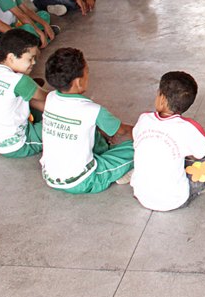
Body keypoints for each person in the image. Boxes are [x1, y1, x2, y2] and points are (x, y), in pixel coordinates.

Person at [131, 71, 205, 211]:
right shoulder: (188, 128)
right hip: (174, 200)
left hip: (141, 195)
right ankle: (204, 185)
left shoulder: (144, 119)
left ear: (162, 99)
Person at [40, 47, 135, 194]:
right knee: (136, 148)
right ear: (78, 82)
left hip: (50, 176)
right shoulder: (92, 110)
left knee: (91, 131)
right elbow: (123, 132)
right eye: (87, 72)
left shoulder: (51, 98)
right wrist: (148, 130)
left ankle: (108, 158)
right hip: (83, 180)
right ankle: (118, 171)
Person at [0, 29, 48, 158]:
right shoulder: (19, 80)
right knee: (64, 126)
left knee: (31, 102)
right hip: (19, 145)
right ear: (11, 57)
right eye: (30, 58)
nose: (34, 63)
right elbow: (48, 97)